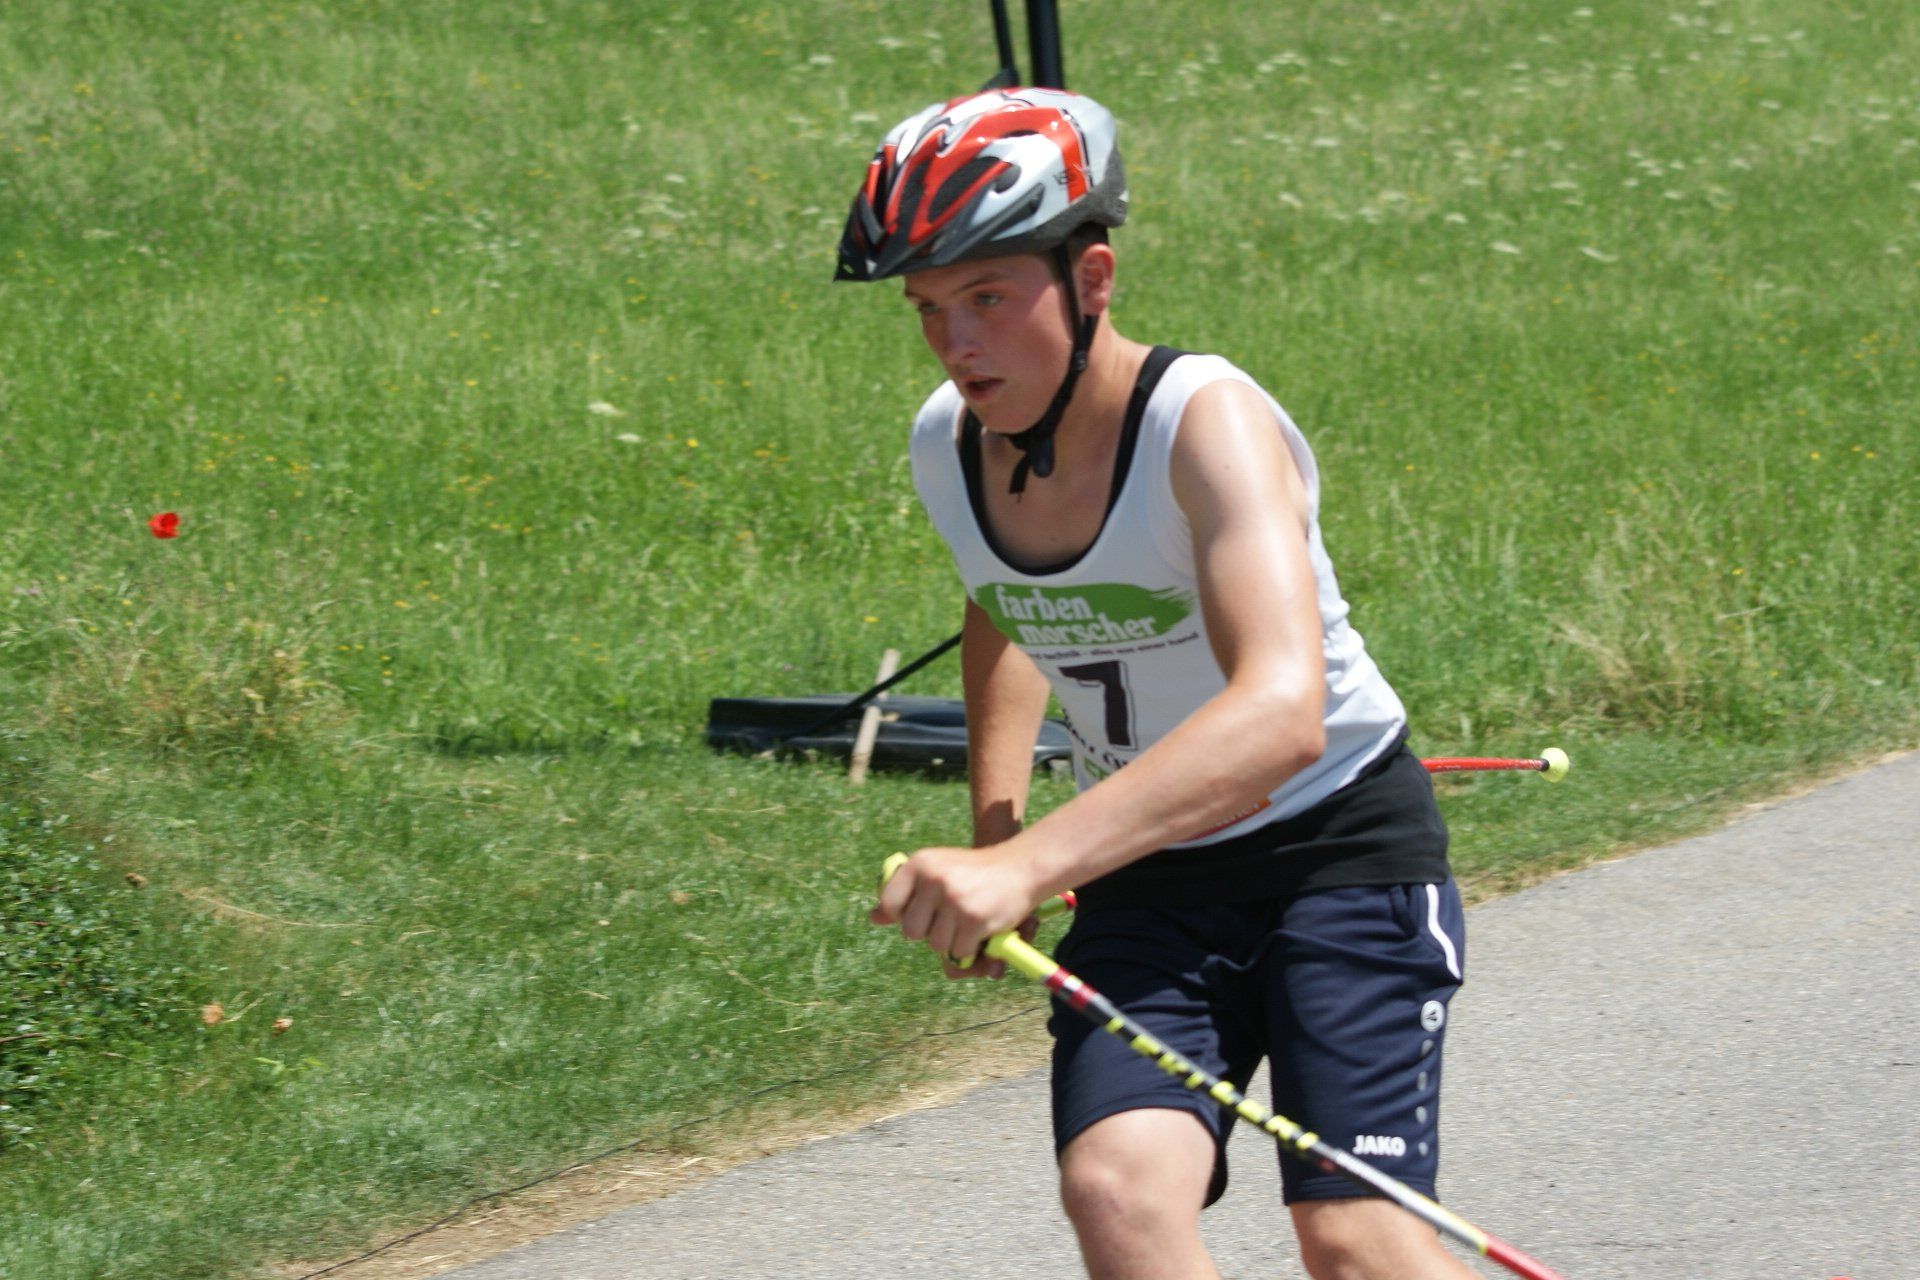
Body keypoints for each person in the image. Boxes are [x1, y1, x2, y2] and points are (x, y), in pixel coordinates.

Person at [847, 87, 1479, 1280]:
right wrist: (999, 833)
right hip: (1145, 874)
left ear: (1091, 278)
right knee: (1118, 1193)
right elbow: (1004, 608)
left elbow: (1281, 712)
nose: (956, 342)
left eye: (989, 297)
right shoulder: (949, 440)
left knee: (1355, 1239)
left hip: (1334, 856)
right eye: (928, 308)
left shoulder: (1205, 422)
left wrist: (1027, 864)